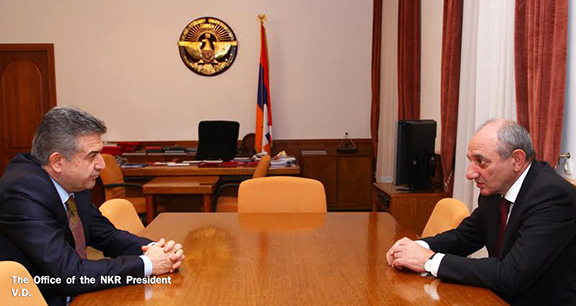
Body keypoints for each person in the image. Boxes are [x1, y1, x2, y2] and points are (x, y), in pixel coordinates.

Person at [0, 105, 185, 306]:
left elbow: (106, 235)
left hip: (82, 294)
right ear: (57, 161)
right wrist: (148, 264)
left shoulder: (72, 182)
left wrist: (155, 249)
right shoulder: (23, 192)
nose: (102, 165)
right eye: (91, 155)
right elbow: (70, 274)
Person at [386, 119, 576, 305]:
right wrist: (416, 247)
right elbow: (464, 237)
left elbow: (512, 274)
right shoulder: (494, 190)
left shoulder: (552, 196)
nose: (470, 173)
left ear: (517, 160)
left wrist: (429, 261)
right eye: (471, 161)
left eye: (481, 162)